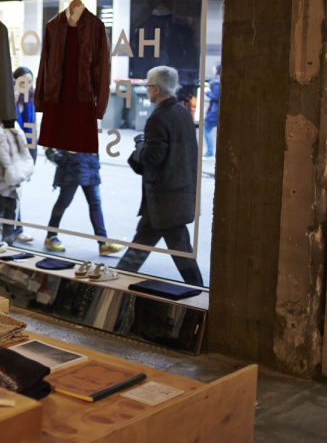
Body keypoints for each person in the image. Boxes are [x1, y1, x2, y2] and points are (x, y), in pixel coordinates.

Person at [116, 66, 204, 286]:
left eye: (148, 86)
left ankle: (113, 286)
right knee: (163, 248)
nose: (146, 90)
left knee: (174, 251)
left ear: (156, 89)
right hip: (177, 196)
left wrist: (140, 145)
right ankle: (115, 285)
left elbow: (152, 158)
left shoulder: (159, 117)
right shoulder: (183, 112)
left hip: (163, 201)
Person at [42, 149, 125, 255]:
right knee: (63, 202)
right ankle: (50, 236)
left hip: (89, 164)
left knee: (95, 204)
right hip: (72, 166)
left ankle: (103, 243)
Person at [0, 67, 37, 243]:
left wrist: (31, 158)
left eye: (30, 82)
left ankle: (2, 221)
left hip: (22, 153)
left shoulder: (30, 103)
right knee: (13, 192)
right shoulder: (7, 104)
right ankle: (16, 229)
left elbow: (32, 131)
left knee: (11, 192)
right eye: (23, 82)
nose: (27, 85)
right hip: (7, 156)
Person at [203, 62, 220, 158]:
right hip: (215, 110)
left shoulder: (217, 81)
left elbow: (216, 97)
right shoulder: (219, 80)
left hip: (214, 111)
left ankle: (210, 152)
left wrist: (207, 92)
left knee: (207, 129)